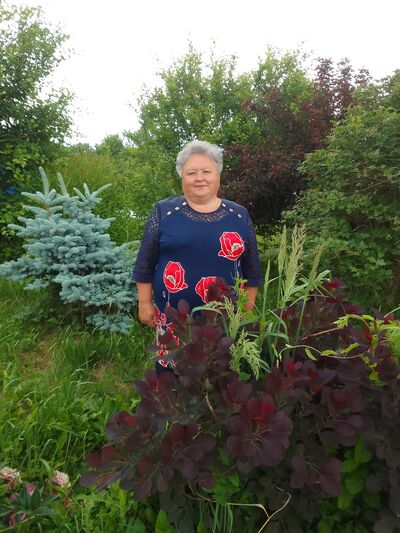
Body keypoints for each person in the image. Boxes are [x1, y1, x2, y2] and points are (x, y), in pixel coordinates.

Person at [131, 140, 263, 374]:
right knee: (172, 376)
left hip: (224, 316)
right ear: (182, 177)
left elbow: (252, 267)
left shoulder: (238, 215)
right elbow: (145, 263)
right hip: (174, 317)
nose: (199, 178)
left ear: (218, 176)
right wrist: (144, 303)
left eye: (206, 172)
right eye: (191, 173)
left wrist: (247, 306)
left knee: (222, 374)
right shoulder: (164, 212)